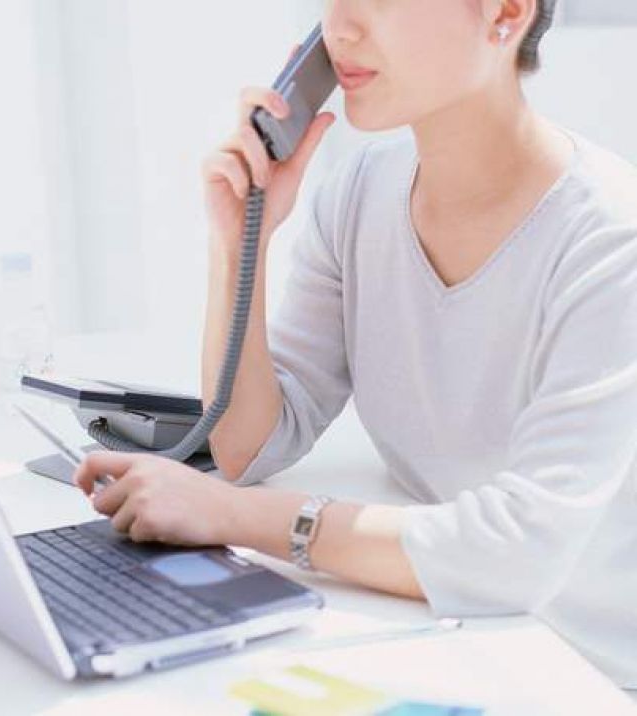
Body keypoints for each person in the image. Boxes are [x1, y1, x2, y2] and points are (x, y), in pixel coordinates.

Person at [73, 0, 637, 690]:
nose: (339, 29)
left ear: (506, 13)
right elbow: (250, 444)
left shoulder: (611, 241)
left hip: (591, 670)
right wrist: (240, 240)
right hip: (453, 631)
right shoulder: (360, 194)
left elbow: (517, 555)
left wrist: (235, 516)